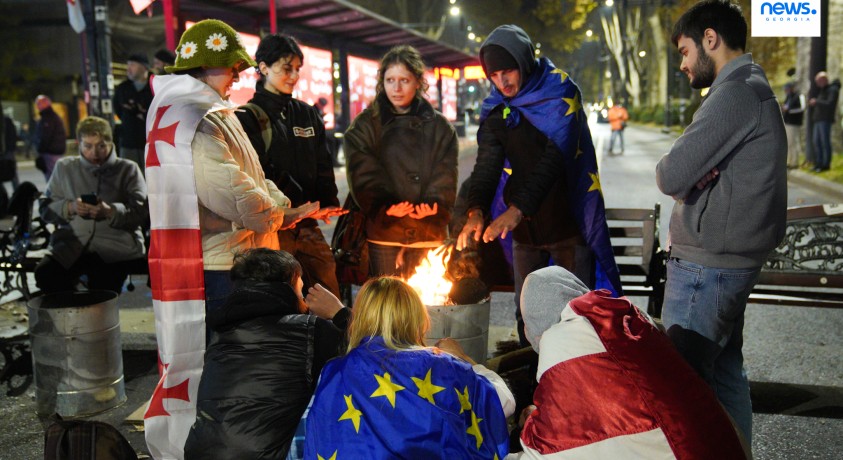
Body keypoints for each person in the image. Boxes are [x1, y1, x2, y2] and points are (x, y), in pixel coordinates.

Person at [143, 19, 318, 458]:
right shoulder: (194, 117)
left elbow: (253, 174)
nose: (239, 74)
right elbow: (229, 192)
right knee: (220, 362)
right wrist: (278, 214)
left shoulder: (213, 109)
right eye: (231, 66)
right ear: (206, 66)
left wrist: (278, 206)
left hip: (239, 255)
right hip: (221, 266)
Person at [655, 0, 787, 445]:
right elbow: (686, 171)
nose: (683, 64)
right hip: (726, 264)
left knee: (688, 389)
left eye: (686, 51)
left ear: (710, 39)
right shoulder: (752, 87)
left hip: (706, 270)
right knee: (727, 374)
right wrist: (695, 172)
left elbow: (670, 173)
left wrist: (689, 174)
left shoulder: (733, 94)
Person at [456, 24, 621, 347]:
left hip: (566, 225)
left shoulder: (559, 93)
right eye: (494, 75)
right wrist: (475, 209)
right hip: (525, 234)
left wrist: (517, 210)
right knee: (526, 313)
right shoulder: (496, 107)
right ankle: (534, 385)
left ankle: (576, 388)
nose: (502, 83)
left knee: (576, 314)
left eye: (508, 72)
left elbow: (553, 161)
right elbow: (487, 165)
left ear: (524, 62)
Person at [509, 266, 748, 459]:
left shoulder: (562, 344)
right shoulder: (630, 320)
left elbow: (548, 448)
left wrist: (529, 422)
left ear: (537, 328)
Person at [304, 276, 515, 458]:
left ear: (360, 318)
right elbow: (504, 402)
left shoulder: (336, 372)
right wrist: (465, 359)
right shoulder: (444, 367)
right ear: (416, 316)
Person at [184, 249, 345, 459]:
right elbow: (372, 352)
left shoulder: (222, 330)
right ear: (289, 285)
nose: (304, 297)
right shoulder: (309, 330)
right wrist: (339, 313)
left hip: (201, 451)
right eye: (301, 287)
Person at [237, 33, 346, 297]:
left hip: (309, 224)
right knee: (284, 295)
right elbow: (261, 171)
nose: (294, 76)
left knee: (327, 289)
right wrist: (296, 206)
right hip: (277, 226)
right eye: (286, 68)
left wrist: (327, 202)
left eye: (297, 69)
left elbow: (323, 162)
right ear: (263, 67)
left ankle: (333, 337)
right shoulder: (248, 117)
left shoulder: (307, 113)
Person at [345, 45, 458, 278]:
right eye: (390, 80)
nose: (396, 88)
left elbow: (446, 172)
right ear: (382, 82)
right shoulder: (365, 125)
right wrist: (384, 206)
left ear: (418, 82)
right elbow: (362, 172)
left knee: (429, 306)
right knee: (387, 305)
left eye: (404, 80)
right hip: (385, 232)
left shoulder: (440, 127)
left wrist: (434, 203)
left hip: (428, 230)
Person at [35, 116, 147, 295]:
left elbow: (141, 213)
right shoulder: (65, 168)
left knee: (103, 288)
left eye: (101, 146)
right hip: (71, 246)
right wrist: (69, 207)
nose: (94, 153)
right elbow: (45, 208)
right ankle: (73, 317)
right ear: (79, 144)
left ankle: (94, 318)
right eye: (88, 146)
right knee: (46, 275)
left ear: (111, 143)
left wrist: (110, 211)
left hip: (115, 247)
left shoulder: (127, 169)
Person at [113, 53, 153, 174]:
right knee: (130, 174)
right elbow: (119, 110)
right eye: (128, 65)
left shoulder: (156, 86)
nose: (128, 69)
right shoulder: (122, 89)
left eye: (133, 65)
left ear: (144, 67)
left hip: (151, 141)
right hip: (129, 141)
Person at [808, 71, 840, 172]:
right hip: (818, 120)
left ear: (823, 80)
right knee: (816, 142)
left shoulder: (832, 90)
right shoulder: (823, 90)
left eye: (818, 81)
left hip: (825, 120)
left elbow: (830, 103)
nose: (817, 84)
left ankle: (826, 165)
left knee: (824, 142)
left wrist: (817, 101)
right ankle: (819, 163)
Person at [33, 95, 66, 180]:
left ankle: (53, 193)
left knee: (52, 178)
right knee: (56, 176)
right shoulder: (52, 116)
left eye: (39, 103)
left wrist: (40, 149)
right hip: (54, 151)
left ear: (45, 103)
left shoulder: (48, 118)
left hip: (51, 152)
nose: (37, 106)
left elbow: (45, 136)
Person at [781, 82, 805, 169]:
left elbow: (801, 108)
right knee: (788, 143)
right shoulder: (788, 97)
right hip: (787, 122)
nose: (785, 91)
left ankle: (795, 162)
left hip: (794, 123)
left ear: (791, 88)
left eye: (787, 89)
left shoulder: (798, 96)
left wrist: (789, 110)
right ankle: (789, 161)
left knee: (793, 142)